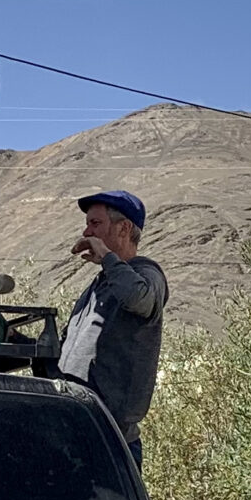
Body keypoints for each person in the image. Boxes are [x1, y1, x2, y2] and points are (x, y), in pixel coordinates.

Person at [57, 190, 167, 458]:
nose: (87, 232)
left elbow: (139, 299)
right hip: (76, 428)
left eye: (95, 224)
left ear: (124, 228)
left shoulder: (147, 274)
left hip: (111, 439)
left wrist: (107, 257)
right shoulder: (100, 284)